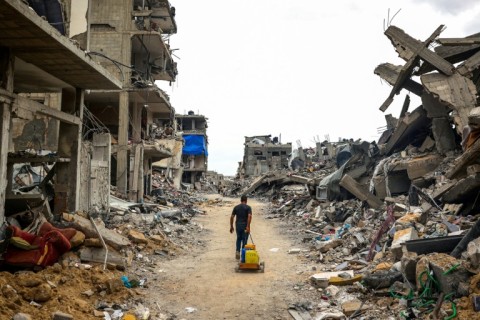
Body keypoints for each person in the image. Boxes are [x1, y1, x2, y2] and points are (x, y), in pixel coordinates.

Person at [230, 195, 252, 260]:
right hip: (245, 225)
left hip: (238, 225)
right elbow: (249, 216)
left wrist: (231, 226)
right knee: (244, 240)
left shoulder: (236, 207)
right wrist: (248, 226)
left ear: (241, 200)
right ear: (246, 201)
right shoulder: (248, 207)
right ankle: (243, 254)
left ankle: (237, 251)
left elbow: (232, 217)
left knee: (239, 238)